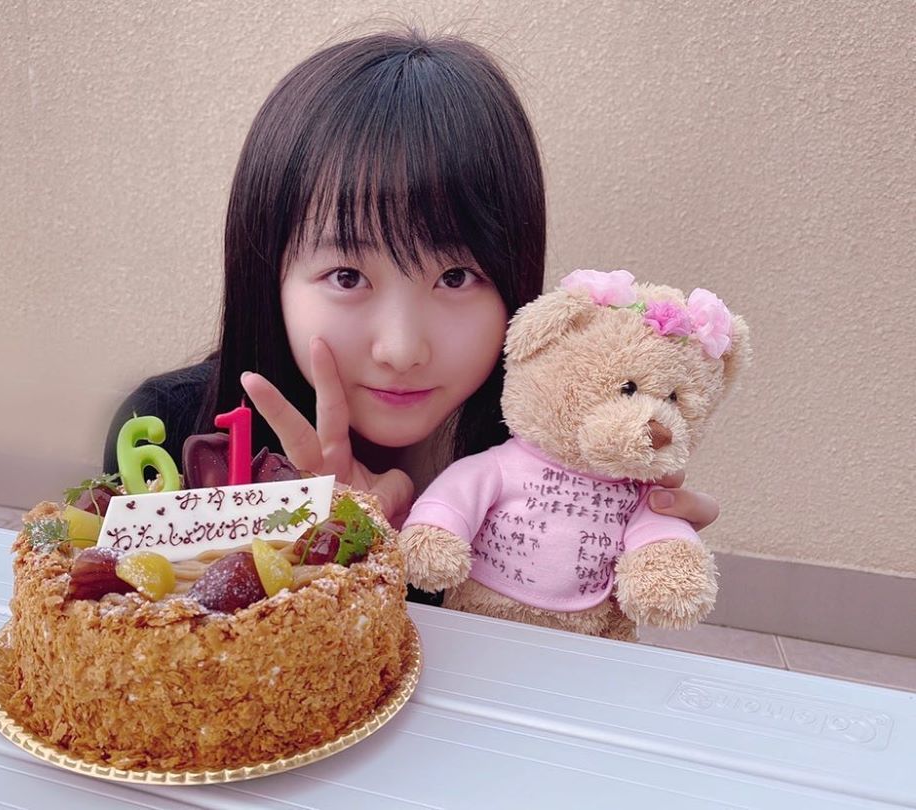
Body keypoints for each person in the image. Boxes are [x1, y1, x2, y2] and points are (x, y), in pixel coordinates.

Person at [104, 30, 719, 604]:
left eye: (455, 277)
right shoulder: (166, 432)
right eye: (347, 277)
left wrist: (609, 563)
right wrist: (324, 549)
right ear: (268, 275)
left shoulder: (553, 457)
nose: (402, 350)